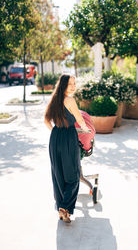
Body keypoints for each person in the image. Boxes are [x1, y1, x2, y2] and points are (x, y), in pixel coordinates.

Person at [44, 74, 90, 223]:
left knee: (58, 175)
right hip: (69, 138)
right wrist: (86, 130)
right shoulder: (69, 100)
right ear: (63, 85)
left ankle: (62, 211)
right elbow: (80, 119)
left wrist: (56, 132)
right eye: (70, 84)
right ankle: (65, 207)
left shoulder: (54, 100)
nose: (73, 86)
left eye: (74, 83)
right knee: (73, 175)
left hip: (55, 137)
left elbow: (46, 120)